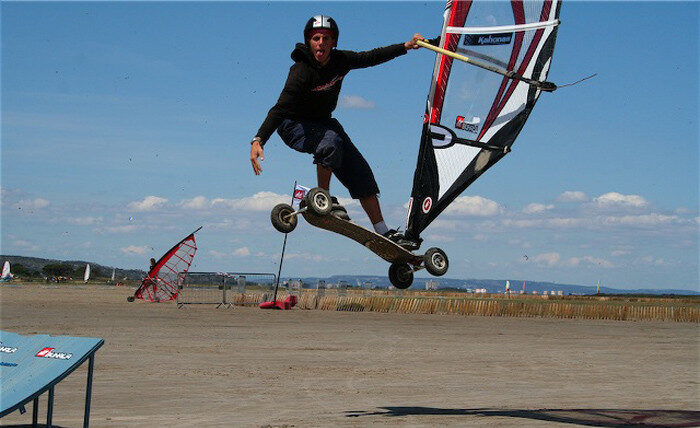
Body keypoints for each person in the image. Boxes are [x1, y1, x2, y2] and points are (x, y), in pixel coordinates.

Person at [249, 15, 422, 250]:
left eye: (326, 38)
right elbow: (280, 107)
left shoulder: (341, 60)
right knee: (330, 142)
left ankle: (384, 232)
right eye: (316, 38)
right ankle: (324, 197)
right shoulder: (301, 71)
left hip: (323, 123)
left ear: (334, 42)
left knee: (360, 170)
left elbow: (371, 57)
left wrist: (406, 46)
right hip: (292, 125)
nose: (320, 43)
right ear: (309, 42)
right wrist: (259, 139)